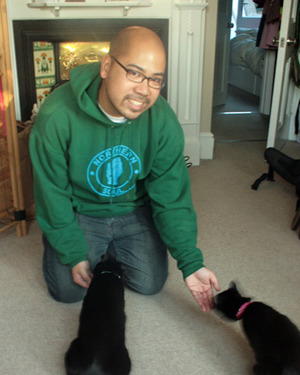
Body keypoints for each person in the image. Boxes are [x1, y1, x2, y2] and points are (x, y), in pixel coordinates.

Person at [29, 26, 219, 312]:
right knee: (68, 291)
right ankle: (81, 246)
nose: (144, 90)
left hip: (133, 208)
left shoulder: (163, 121)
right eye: (134, 72)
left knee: (150, 283)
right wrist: (73, 251)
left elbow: (172, 197)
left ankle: (111, 249)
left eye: (155, 80)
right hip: (80, 210)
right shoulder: (56, 115)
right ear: (106, 66)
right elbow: (51, 193)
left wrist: (191, 262)